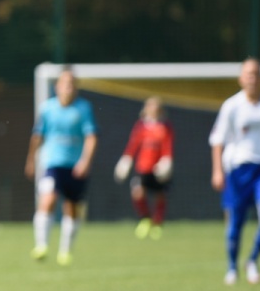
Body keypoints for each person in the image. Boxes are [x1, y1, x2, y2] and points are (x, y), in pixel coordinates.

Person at [209, 58, 260, 286]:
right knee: (235, 222)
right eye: (248, 74)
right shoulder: (231, 106)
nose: (252, 78)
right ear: (240, 78)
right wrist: (217, 171)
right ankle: (231, 267)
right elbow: (217, 140)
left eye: (256, 74)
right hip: (238, 170)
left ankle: (253, 258)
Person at [24, 68, 98, 266]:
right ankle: (41, 246)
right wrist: (31, 160)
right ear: (57, 86)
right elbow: (38, 136)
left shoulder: (84, 108)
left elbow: (91, 137)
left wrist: (85, 161)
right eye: (65, 83)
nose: (68, 87)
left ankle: (65, 251)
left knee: (71, 207)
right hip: (52, 163)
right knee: (48, 199)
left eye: (72, 83)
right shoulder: (47, 108)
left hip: (75, 166)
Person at [113, 96, 174, 240]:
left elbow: (168, 147)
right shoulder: (140, 126)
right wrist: (126, 160)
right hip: (143, 167)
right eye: (150, 106)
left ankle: (157, 223)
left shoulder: (165, 126)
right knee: (137, 192)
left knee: (160, 195)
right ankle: (145, 219)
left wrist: (166, 161)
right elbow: (133, 145)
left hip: (158, 168)